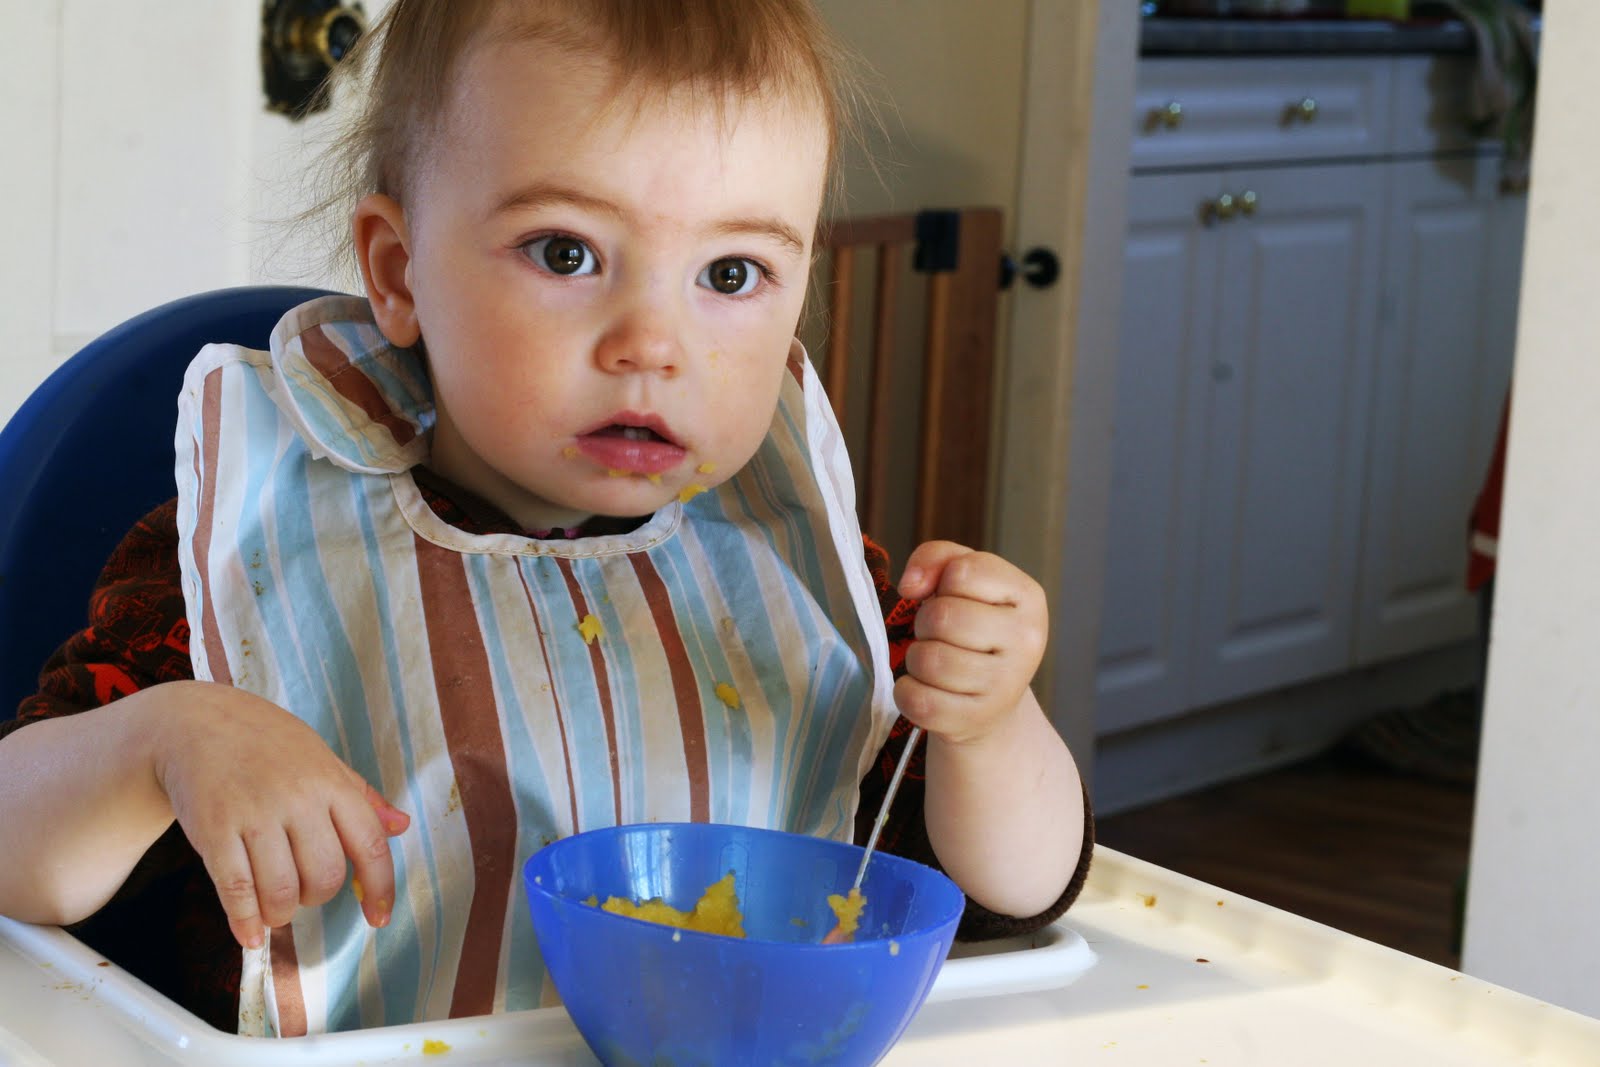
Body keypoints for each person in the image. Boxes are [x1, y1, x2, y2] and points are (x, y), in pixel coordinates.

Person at [0, 0, 1091, 1037]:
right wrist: (164, 740)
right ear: (399, 272)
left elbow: (1020, 889)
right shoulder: (257, 553)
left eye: (731, 272)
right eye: (567, 253)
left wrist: (989, 723)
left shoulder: (800, 569)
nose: (652, 342)